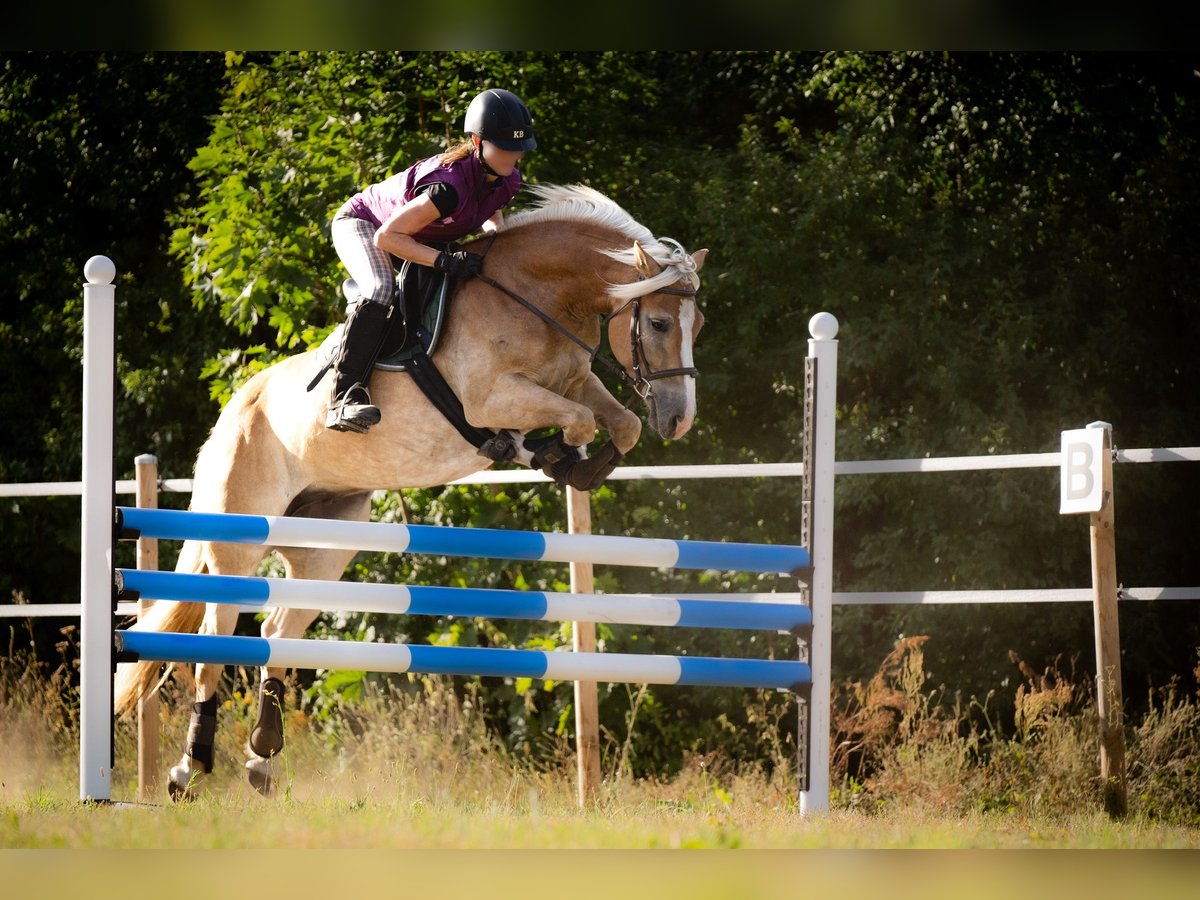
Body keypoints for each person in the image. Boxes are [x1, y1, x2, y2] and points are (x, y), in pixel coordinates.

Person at [325, 88, 537, 433]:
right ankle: (344, 395)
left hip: (417, 237)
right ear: (477, 141)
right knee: (381, 289)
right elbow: (387, 238)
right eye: (504, 148)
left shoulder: (507, 177)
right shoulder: (446, 188)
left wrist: (496, 235)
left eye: (518, 149)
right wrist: (445, 262)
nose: (513, 156)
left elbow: (491, 210)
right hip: (365, 225)